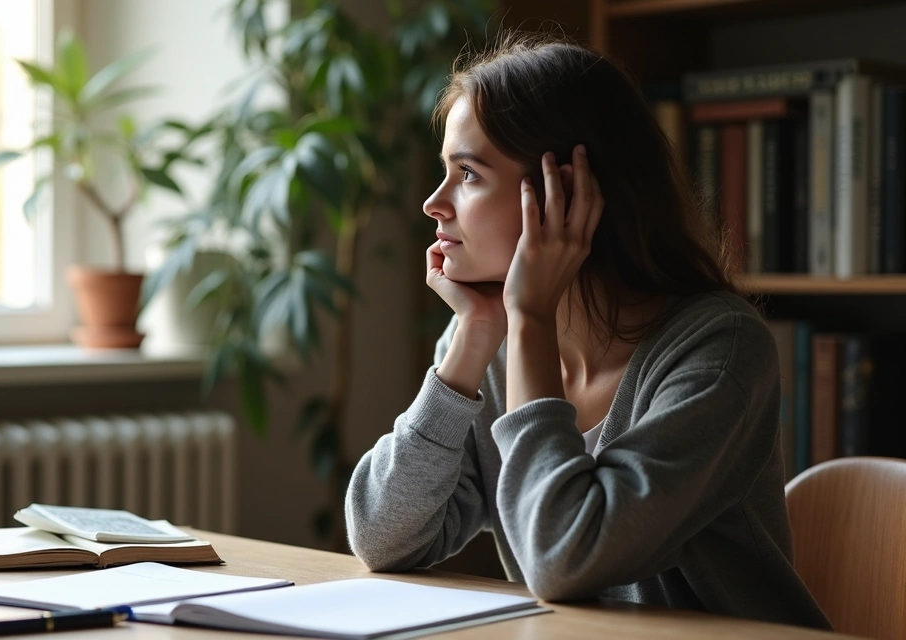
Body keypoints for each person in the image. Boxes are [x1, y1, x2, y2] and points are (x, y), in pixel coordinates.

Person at [344, 30, 831, 630]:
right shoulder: (490, 339)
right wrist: (471, 343)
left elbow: (563, 559)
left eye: (467, 174)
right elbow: (382, 537)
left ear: (564, 192)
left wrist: (528, 321)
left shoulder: (719, 350)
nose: (433, 203)